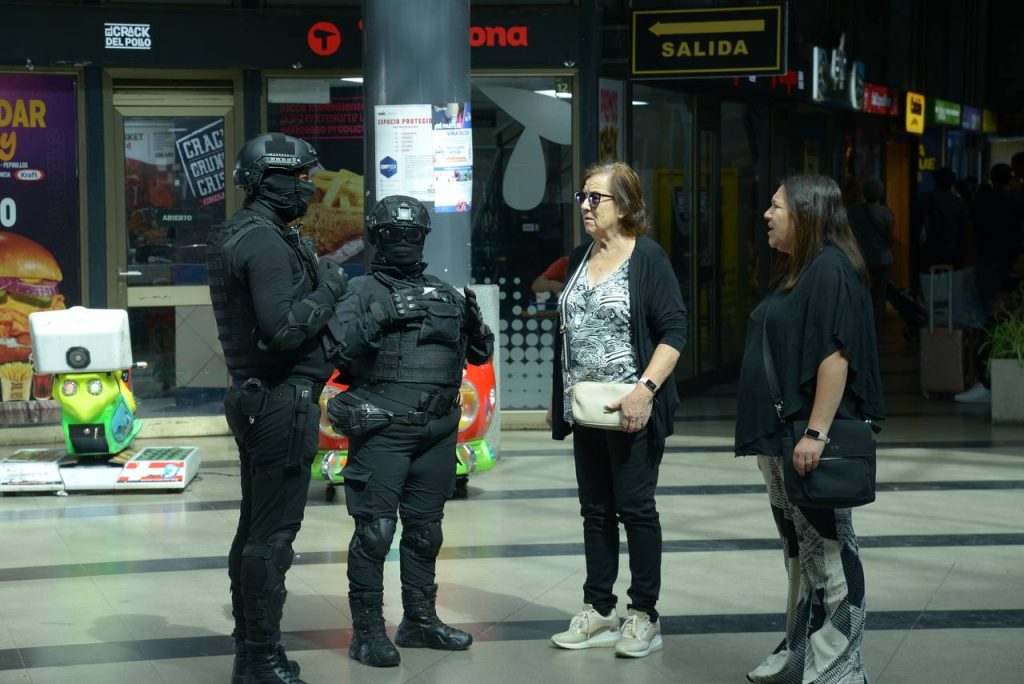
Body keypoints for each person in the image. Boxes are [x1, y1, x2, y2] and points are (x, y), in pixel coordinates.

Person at [324, 195, 494, 668]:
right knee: (376, 532)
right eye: (394, 234)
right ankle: (367, 633)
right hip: (383, 430)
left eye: (411, 234)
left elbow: (477, 356)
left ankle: (419, 620)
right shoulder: (358, 291)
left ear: (423, 237)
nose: (403, 241)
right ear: (377, 237)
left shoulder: (444, 292)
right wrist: (381, 317)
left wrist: (477, 329)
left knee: (425, 532)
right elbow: (335, 350)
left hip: (437, 432)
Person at [207, 133, 348, 684]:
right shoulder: (263, 242)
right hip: (278, 404)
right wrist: (331, 286)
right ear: (272, 181)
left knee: (253, 530)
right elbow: (286, 328)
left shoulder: (246, 234)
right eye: (301, 178)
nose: (309, 189)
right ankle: (260, 658)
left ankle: (250, 647)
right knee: (271, 537)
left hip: (258, 399)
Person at [734, 175, 885, 684]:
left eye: (775, 206)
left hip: (808, 440)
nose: (767, 215)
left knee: (832, 554)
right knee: (804, 555)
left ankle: (840, 666)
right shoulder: (801, 270)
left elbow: (835, 357)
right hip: (782, 439)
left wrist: (816, 434)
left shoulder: (830, 271)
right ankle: (802, 653)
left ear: (806, 213)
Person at [547, 161, 687, 658]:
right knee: (595, 511)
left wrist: (644, 390)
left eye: (595, 198)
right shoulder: (581, 256)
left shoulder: (648, 258)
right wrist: (558, 400)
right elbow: (570, 333)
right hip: (586, 409)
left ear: (625, 206)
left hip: (633, 408)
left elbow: (674, 332)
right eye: (582, 197)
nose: (585, 205)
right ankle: (599, 609)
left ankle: (643, 614)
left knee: (635, 509)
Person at [846, 178, 894, 331]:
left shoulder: (854, 211)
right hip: (882, 259)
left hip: (861, 258)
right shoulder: (886, 213)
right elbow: (890, 237)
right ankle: (876, 323)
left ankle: (861, 322)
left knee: (861, 291)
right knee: (879, 293)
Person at [918, 167, 970, 271]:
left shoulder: (927, 199)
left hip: (931, 248)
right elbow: (964, 229)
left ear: (937, 181)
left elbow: (920, 223)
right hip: (953, 249)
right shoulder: (959, 203)